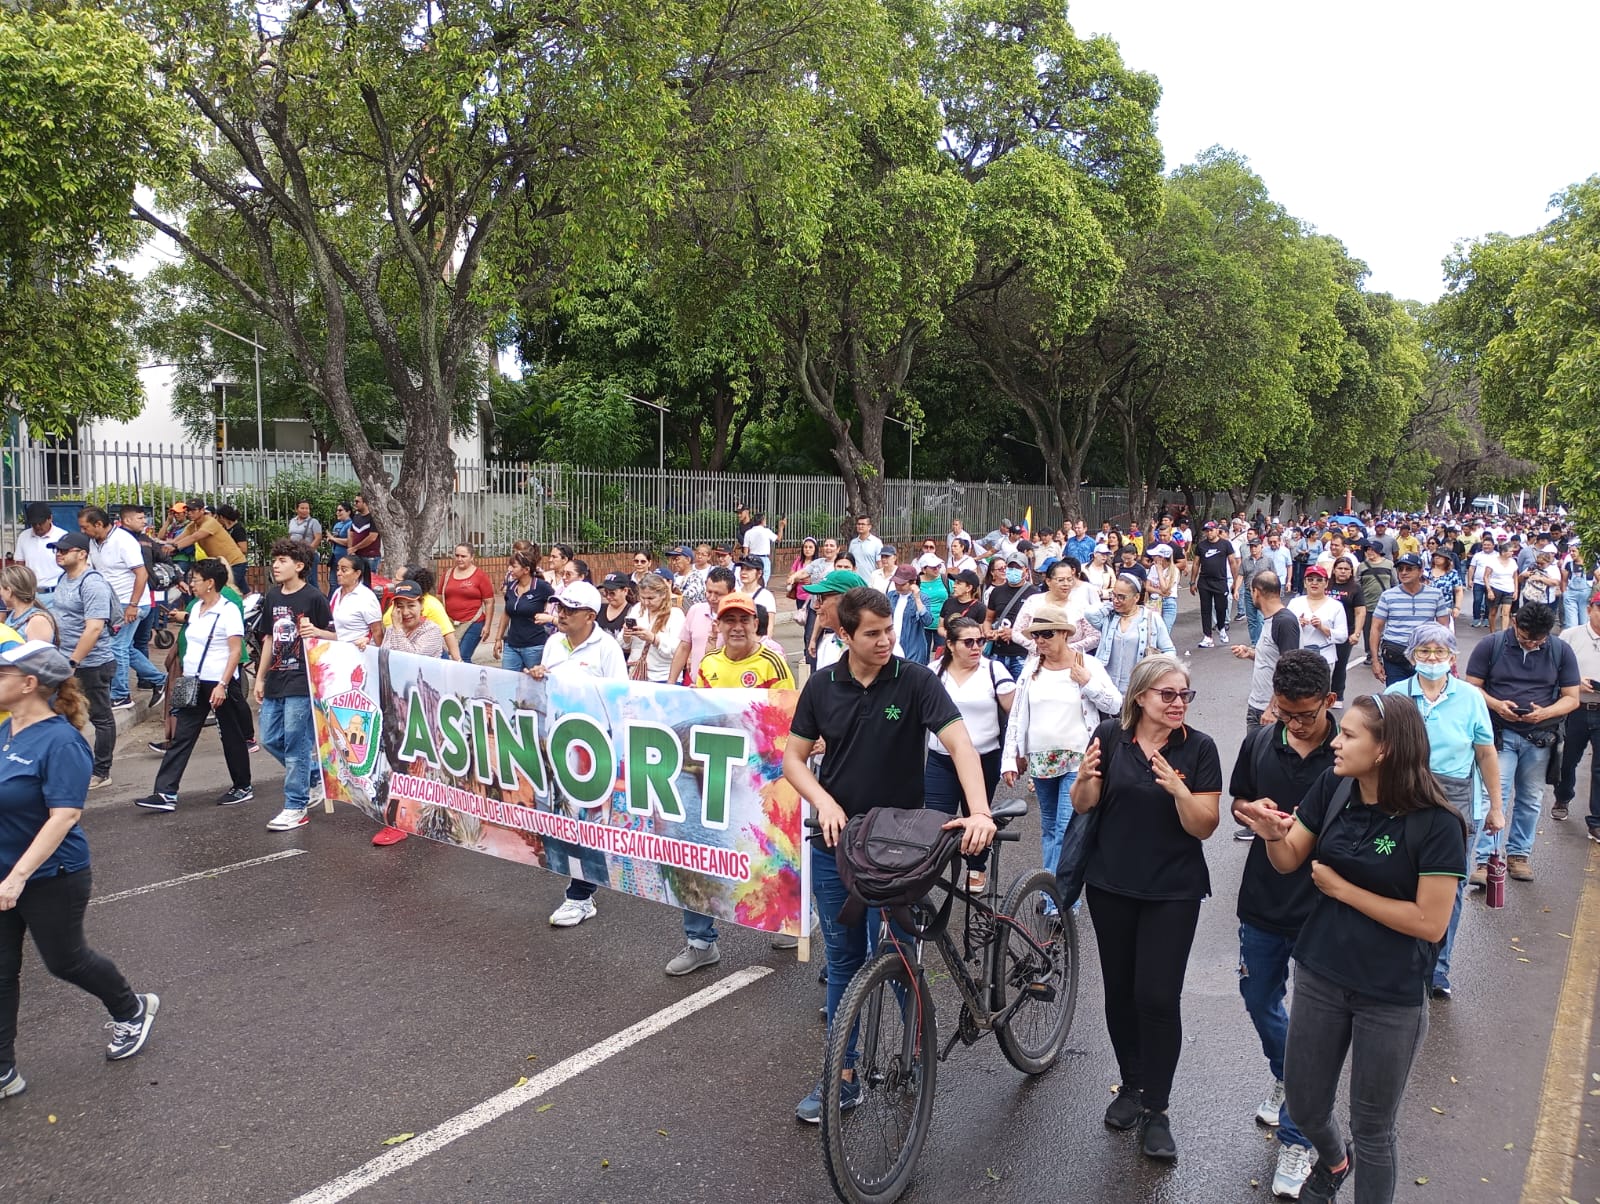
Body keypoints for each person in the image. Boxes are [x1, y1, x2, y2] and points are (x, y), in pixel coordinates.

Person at [1235, 694, 1467, 1204]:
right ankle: (1335, 1161)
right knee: (1305, 1103)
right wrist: (1272, 835)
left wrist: (1343, 890)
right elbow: (1290, 859)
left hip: (1390, 992)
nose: (1336, 742)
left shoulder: (1438, 823)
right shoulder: (1335, 786)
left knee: (1373, 1128)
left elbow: (1430, 923)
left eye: (1349, 735)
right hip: (1322, 972)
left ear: (1385, 749)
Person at [782, 586, 995, 1122]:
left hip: (902, 847)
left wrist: (979, 812)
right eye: (872, 633)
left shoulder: (916, 680)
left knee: (901, 953)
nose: (885, 642)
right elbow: (793, 759)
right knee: (844, 960)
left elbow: (960, 744)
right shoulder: (822, 686)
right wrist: (824, 803)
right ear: (844, 634)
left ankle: (916, 1049)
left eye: (889, 631)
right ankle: (843, 1075)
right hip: (837, 843)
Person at [1071, 653, 1221, 1160]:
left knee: (1157, 997)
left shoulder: (1199, 748)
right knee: (1120, 992)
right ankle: (1131, 1086)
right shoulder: (1111, 737)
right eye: (1168, 694)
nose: (1178, 703)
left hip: (1173, 890)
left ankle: (1157, 1108)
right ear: (1140, 697)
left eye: (1184, 695)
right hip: (1110, 885)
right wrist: (1085, 778)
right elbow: (1084, 803)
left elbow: (1205, 826)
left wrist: (1180, 790)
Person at [0, 641, 161, 1099]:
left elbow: (65, 816)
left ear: (29, 684)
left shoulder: (62, 742)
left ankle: (131, 1009)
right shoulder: (6, 730)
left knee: (64, 960)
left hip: (52, 876)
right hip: (4, 872)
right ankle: (3, 1070)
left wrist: (18, 877)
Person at [1227, 651, 1339, 1199]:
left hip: (1325, 906)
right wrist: (1255, 813)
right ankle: (1286, 1074)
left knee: (1316, 1028)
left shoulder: (1348, 754)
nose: (1294, 724)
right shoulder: (1259, 743)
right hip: (1264, 899)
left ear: (1329, 701)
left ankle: (1298, 1137)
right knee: (1258, 998)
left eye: (1306, 715)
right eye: (1285, 712)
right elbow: (1237, 802)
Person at [1384, 623, 1502, 998]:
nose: (1432, 658)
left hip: (1457, 802)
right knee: (1397, 878)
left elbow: (1485, 753)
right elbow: (1378, 752)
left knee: (1449, 888)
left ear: (1452, 657)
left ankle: (1438, 968)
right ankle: (1399, 959)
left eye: (1440, 652)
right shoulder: (1395, 696)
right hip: (1404, 797)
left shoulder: (1470, 697)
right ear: (1412, 656)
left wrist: (1496, 807)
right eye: (1424, 651)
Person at [526, 581, 627, 928]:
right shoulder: (554, 643)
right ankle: (580, 886)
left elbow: (620, 699)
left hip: (592, 748)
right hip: (557, 743)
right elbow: (546, 688)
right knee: (561, 818)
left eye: (571, 609)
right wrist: (537, 676)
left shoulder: (607, 649)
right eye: (561, 608)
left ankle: (580, 896)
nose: (562, 614)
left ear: (590, 616)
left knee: (588, 821)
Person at [1003, 604, 1121, 889]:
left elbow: (1115, 704)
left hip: (1077, 758)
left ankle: (1061, 897)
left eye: (1047, 634)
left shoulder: (1087, 664)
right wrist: (1012, 756)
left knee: (1067, 829)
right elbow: (1017, 715)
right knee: (1049, 828)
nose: (1040, 640)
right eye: (1036, 635)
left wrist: (1088, 683)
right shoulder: (1032, 668)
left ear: (1065, 634)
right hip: (1041, 758)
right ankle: (1052, 891)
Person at [1465, 602, 1580, 883]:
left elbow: (1571, 698)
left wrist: (1545, 713)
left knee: (1531, 798)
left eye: (1538, 640)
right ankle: (1486, 860)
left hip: (1540, 737)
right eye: (1526, 638)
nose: (1532, 644)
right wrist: (1496, 705)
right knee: (1494, 797)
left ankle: (1519, 855)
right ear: (1515, 623)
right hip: (1499, 735)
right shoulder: (1491, 645)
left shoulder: (1560, 650)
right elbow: (1471, 687)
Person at [134, 559, 252, 813]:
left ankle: (242, 786)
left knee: (231, 735)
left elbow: (235, 651)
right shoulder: (196, 608)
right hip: (193, 682)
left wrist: (222, 684)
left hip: (220, 683)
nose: (191, 584)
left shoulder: (228, 610)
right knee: (182, 736)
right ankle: (165, 792)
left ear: (210, 583)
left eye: (195, 579)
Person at [927, 616, 1015, 891]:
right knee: (935, 818)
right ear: (951, 645)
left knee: (976, 813)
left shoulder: (994, 671)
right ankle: (929, 867)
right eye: (968, 642)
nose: (976, 647)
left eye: (980, 641)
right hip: (940, 759)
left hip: (984, 757)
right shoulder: (933, 673)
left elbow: (1016, 716)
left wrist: (1014, 756)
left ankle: (977, 866)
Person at [257, 540, 335, 832]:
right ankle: (313, 775)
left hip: (303, 679)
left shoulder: (314, 597)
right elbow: (268, 638)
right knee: (269, 738)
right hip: (276, 678)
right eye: (275, 560)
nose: (276, 565)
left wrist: (317, 632)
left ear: (299, 566)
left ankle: (295, 805)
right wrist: (260, 677)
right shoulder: (272, 596)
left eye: (283, 560)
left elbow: (337, 637)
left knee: (295, 743)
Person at [49, 533, 117, 790]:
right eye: (57, 550)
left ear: (82, 554)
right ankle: (71, 765)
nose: (59, 554)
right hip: (66, 660)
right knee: (65, 715)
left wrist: (73, 662)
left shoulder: (92, 584)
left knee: (100, 717)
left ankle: (102, 771)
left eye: (64, 550)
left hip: (92, 664)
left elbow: (94, 628)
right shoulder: (63, 579)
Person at [79, 507, 164, 712]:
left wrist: (133, 605)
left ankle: (121, 695)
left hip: (131, 603)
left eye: (85, 527)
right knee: (124, 647)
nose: (83, 531)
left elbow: (142, 574)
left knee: (116, 647)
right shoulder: (94, 542)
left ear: (99, 524)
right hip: (114, 604)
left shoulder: (123, 541)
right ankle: (160, 680)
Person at [1081, 574, 1175, 696]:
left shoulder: (1151, 618)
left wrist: (1158, 673)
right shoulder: (1109, 618)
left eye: (1121, 597)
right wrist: (1111, 605)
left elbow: (1169, 650)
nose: (1115, 600)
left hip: (1138, 688)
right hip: (1107, 688)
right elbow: (1089, 614)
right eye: (1113, 595)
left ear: (1136, 597)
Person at [1553, 591, 1600, 836]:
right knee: (1567, 760)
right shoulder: (1570, 636)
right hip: (1575, 708)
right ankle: (1562, 797)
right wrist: (1574, 683)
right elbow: (1552, 669)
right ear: (1590, 609)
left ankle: (1596, 821)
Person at [1367, 555, 1452, 688]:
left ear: (1420, 571)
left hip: (1424, 657)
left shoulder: (1435, 595)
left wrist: (1445, 657)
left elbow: (1443, 629)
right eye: (1400, 569)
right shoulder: (1388, 595)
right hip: (1395, 656)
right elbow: (1376, 628)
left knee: (1425, 694)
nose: (1404, 572)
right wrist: (1375, 661)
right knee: (1396, 697)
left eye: (1409, 569)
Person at [1232, 570, 1300, 730]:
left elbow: (1290, 670)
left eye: (1251, 591)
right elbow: (1274, 658)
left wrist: (1273, 708)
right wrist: (1250, 653)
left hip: (1271, 710)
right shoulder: (1270, 620)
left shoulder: (1284, 622)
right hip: (1257, 704)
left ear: (1256, 592)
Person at [671, 567, 736, 685]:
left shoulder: (738, 620)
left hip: (726, 688)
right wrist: (671, 682)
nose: (712, 598)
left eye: (718, 594)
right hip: (696, 687)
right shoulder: (695, 611)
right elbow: (684, 648)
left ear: (732, 593)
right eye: (709, 592)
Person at [494, 550, 556, 673]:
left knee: (535, 680)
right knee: (507, 680)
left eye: (514, 566)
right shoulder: (511, 586)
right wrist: (498, 639)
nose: (510, 569)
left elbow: (557, 603)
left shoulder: (542, 587)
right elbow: (506, 613)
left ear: (526, 570)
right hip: (511, 645)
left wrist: (549, 616)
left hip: (534, 646)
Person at [161, 498, 247, 581]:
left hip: (234, 563)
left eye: (193, 510)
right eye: (188, 510)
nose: (189, 513)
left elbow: (194, 537)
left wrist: (175, 547)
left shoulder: (210, 522)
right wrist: (166, 544)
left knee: (226, 588)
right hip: (223, 564)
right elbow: (179, 538)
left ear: (202, 510)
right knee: (240, 589)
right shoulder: (193, 525)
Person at [622, 572, 684, 683]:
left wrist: (654, 639)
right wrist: (626, 636)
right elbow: (624, 645)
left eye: (651, 598)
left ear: (663, 594)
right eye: (642, 598)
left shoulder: (675, 614)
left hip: (663, 677)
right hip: (636, 675)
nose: (646, 602)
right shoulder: (637, 609)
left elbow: (679, 650)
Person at [984, 556, 1038, 679]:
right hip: (997, 652)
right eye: (1010, 567)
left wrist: (1014, 634)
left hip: (1022, 654)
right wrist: (988, 632)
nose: (1013, 570)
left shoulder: (1034, 593)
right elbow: (988, 619)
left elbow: (1036, 626)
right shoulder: (996, 592)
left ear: (1025, 570)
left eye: (1017, 568)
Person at [1288, 566, 1349, 670]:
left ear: (1326, 583)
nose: (1314, 583)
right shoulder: (1294, 603)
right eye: (1310, 579)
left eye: (1319, 580)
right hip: (1298, 657)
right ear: (1305, 583)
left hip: (1324, 657)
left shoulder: (1336, 606)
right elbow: (1285, 630)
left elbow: (1342, 636)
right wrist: (1297, 625)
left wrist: (1322, 628)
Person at [442, 544, 495, 663]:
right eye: (457, 556)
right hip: (451, 623)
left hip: (474, 622)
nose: (459, 559)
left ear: (472, 557)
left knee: (462, 657)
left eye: (463, 556)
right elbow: (440, 598)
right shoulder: (447, 574)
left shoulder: (480, 575)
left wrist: (487, 626)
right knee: (451, 656)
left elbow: (489, 602)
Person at [1190, 521, 1239, 648]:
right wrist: (1192, 581)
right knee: (1205, 609)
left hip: (1220, 581)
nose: (1209, 533)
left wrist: (1235, 582)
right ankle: (1207, 636)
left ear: (1217, 530)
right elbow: (1196, 564)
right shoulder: (1201, 546)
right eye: (1207, 531)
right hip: (1204, 581)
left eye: (1211, 530)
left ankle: (1221, 627)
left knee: (1221, 608)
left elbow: (1232, 562)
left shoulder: (1225, 544)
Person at [1325, 558, 1365, 705]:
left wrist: (1357, 633)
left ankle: (1337, 696)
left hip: (1345, 633)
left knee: (1339, 665)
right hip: (1323, 631)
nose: (1343, 571)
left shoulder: (1355, 588)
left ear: (1351, 572)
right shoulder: (1326, 585)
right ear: (1334, 570)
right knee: (1321, 665)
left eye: (1346, 569)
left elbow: (1360, 612)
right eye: (1340, 568)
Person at [322, 554, 385, 645]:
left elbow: (377, 631)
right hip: (337, 646)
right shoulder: (337, 592)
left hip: (358, 648)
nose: (338, 573)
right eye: (338, 569)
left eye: (344, 570)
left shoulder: (366, 597)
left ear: (357, 574)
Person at [12, 503, 65, 606]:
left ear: (50, 519)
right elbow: (19, 565)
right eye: (34, 523)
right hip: (31, 594)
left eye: (40, 523)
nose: (37, 526)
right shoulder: (24, 536)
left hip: (56, 593)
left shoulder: (62, 536)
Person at [0, 567, 57, 647]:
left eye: (0, 589)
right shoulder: (14, 614)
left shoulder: (37, 621)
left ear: (9, 591)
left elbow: (39, 654)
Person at [887, 565, 931, 665]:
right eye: (896, 582)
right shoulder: (890, 596)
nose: (898, 586)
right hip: (892, 645)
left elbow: (927, 621)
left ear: (913, 583)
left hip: (912, 648)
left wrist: (917, 598)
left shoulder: (923, 598)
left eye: (902, 584)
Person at [287, 500, 324, 591]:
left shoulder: (313, 522)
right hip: (295, 554)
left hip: (309, 555)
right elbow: (290, 536)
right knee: (297, 579)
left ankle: (316, 598)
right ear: (296, 509)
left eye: (307, 508)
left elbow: (318, 538)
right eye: (302, 508)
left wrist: (308, 552)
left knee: (311, 580)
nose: (305, 510)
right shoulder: (292, 521)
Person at [741, 511, 785, 584]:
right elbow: (778, 539)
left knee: (753, 580)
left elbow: (745, 550)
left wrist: (746, 562)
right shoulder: (766, 531)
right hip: (764, 559)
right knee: (763, 581)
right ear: (762, 521)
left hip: (752, 558)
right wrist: (781, 527)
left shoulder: (748, 532)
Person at [347, 494, 382, 572]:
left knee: (369, 578)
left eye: (357, 501)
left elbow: (372, 537)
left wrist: (355, 548)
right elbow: (351, 534)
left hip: (370, 557)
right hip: (357, 556)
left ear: (365, 503)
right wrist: (350, 549)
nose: (355, 504)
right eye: (354, 501)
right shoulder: (356, 517)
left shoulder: (374, 518)